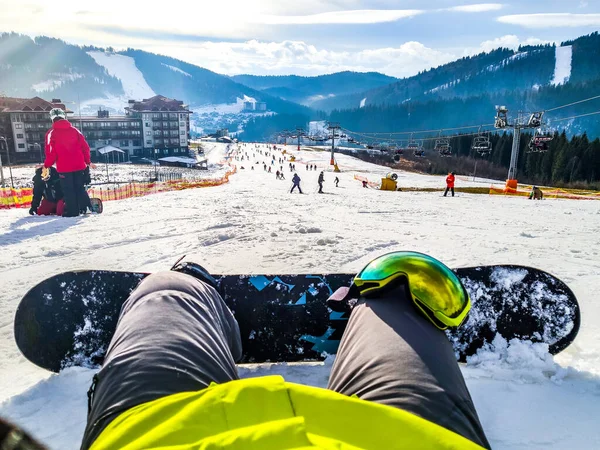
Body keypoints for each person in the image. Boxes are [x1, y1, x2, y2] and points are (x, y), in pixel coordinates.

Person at [71, 253, 490, 450]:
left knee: (168, 291)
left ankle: (191, 289)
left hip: (164, 437)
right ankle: (377, 303)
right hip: (405, 441)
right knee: (397, 296)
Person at [44, 108, 94, 217]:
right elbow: (85, 147)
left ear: (52, 120)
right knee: (80, 187)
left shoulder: (51, 133)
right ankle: (86, 208)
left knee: (68, 190)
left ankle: (73, 212)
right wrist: (87, 161)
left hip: (64, 168)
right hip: (79, 165)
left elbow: (51, 152)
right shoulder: (75, 131)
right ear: (64, 118)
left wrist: (47, 165)